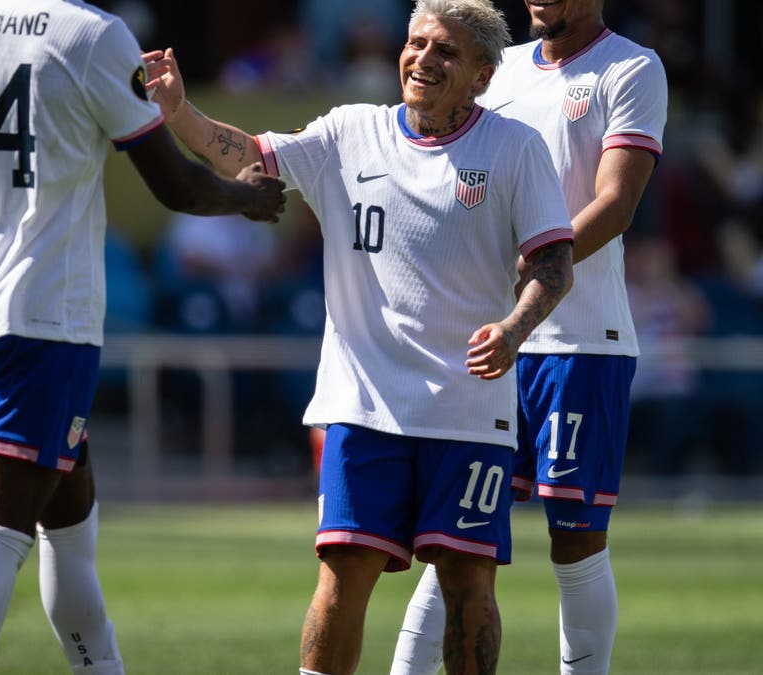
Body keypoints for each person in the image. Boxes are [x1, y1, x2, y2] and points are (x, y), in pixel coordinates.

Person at [0, 2, 286, 674]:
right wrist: (244, 196)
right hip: (48, 318)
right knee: (0, 531)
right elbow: (172, 185)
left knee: (70, 527)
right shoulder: (91, 34)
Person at [143, 0, 574, 672]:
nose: (423, 59)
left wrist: (516, 328)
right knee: (342, 574)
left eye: (446, 52)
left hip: (469, 410)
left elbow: (554, 265)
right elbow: (250, 155)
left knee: (468, 584)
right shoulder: (350, 132)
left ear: (483, 77)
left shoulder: (515, 148)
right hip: (362, 404)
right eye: (416, 43)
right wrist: (180, 113)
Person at [389, 1, 667, 674]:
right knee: (453, 538)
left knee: (575, 540)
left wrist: (529, 265)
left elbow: (616, 202)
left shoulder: (629, 68)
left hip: (580, 342)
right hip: (489, 342)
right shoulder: (495, 67)